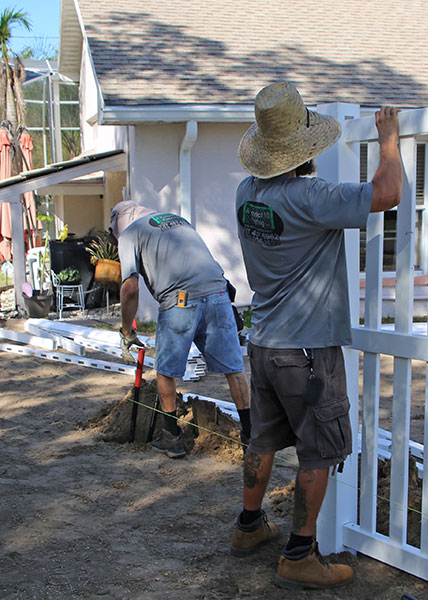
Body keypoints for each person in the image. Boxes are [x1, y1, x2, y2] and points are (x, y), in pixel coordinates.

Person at [231, 81, 403, 590]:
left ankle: (248, 527)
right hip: (306, 352)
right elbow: (388, 194)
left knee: (262, 438)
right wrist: (388, 139)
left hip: (262, 344)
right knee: (320, 449)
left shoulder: (248, 193)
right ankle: (300, 554)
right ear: (304, 150)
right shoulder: (312, 196)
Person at [113, 202, 251, 459]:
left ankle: (171, 437)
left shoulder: (130, 234)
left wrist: (126, 331)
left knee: (166, 370)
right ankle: (251, 437)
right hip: (219, 293)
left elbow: (130, 288)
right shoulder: (177, 220)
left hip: (180, 300)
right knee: (235, 369)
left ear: (117, 224)